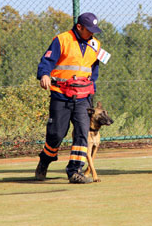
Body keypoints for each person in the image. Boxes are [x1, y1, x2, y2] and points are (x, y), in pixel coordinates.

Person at [35, 12, 103, 184]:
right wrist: (44, 75)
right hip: (61, 95)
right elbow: (47, 61)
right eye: (89, 30)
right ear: (79, 27)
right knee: (56, 134)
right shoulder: (62, 40)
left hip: (83, 97)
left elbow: (94, 69)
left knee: (82, 132)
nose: (92, 33)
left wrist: (91, 86)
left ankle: (75, 171)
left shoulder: (96, 44)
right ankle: (45, 160)